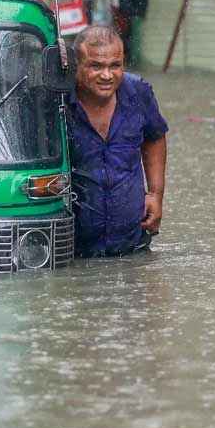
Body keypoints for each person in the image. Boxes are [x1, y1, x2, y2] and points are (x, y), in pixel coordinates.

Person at [68, 25, 168, 257]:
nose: (107, 75)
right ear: (77, 66)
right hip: (75, 249)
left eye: (115, 66)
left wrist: (155, 195)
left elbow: (155, 137)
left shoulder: (138, 92)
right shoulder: (59, 100)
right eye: (96, 66)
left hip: (132, 243)